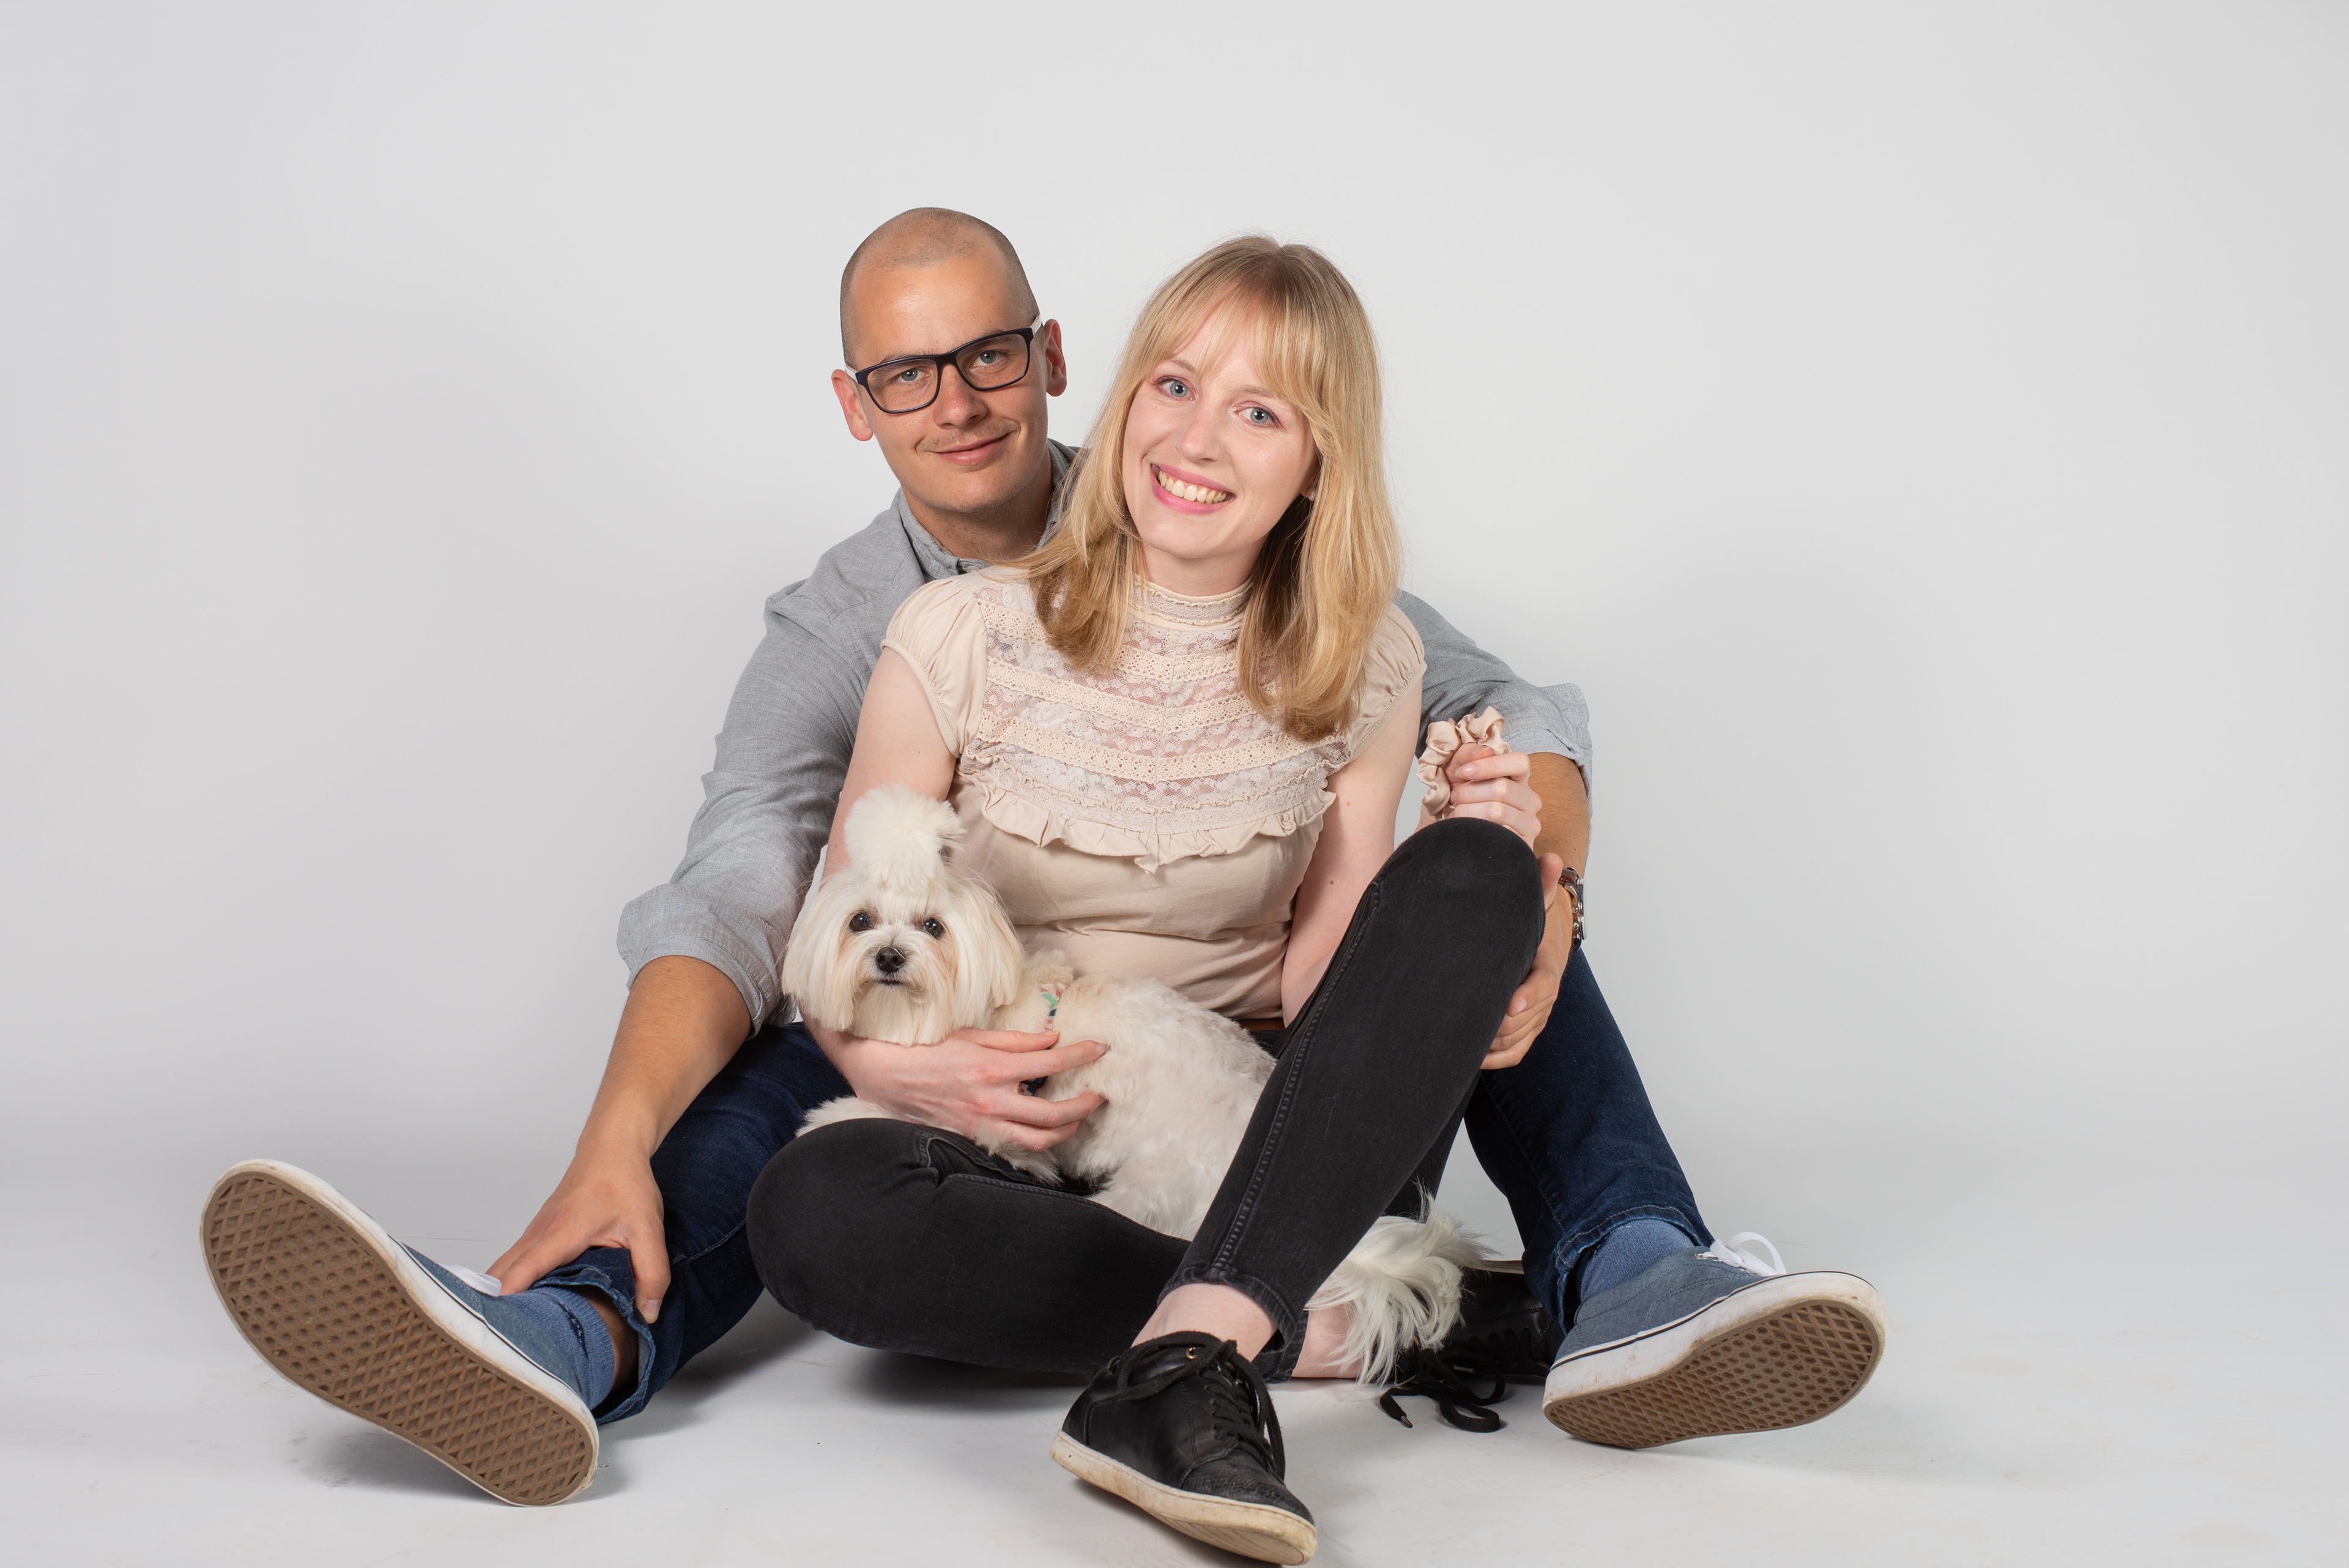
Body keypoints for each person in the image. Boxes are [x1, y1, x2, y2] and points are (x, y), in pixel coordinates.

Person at [199, 212, 1883, 1530]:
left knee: (1492, 884)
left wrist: (1537, 872)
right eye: (905, 375)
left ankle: (1626, 1267)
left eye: (989, 353)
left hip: (1272, 1077)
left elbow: (1505, 711)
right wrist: (630, 1140)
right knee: (803, 1119)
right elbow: (745, 890)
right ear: (853, 404)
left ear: (1058, 356)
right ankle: (578, 1321)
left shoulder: (1258, 549)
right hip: (972, 1034)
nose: (958, 402)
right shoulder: (886, 628)